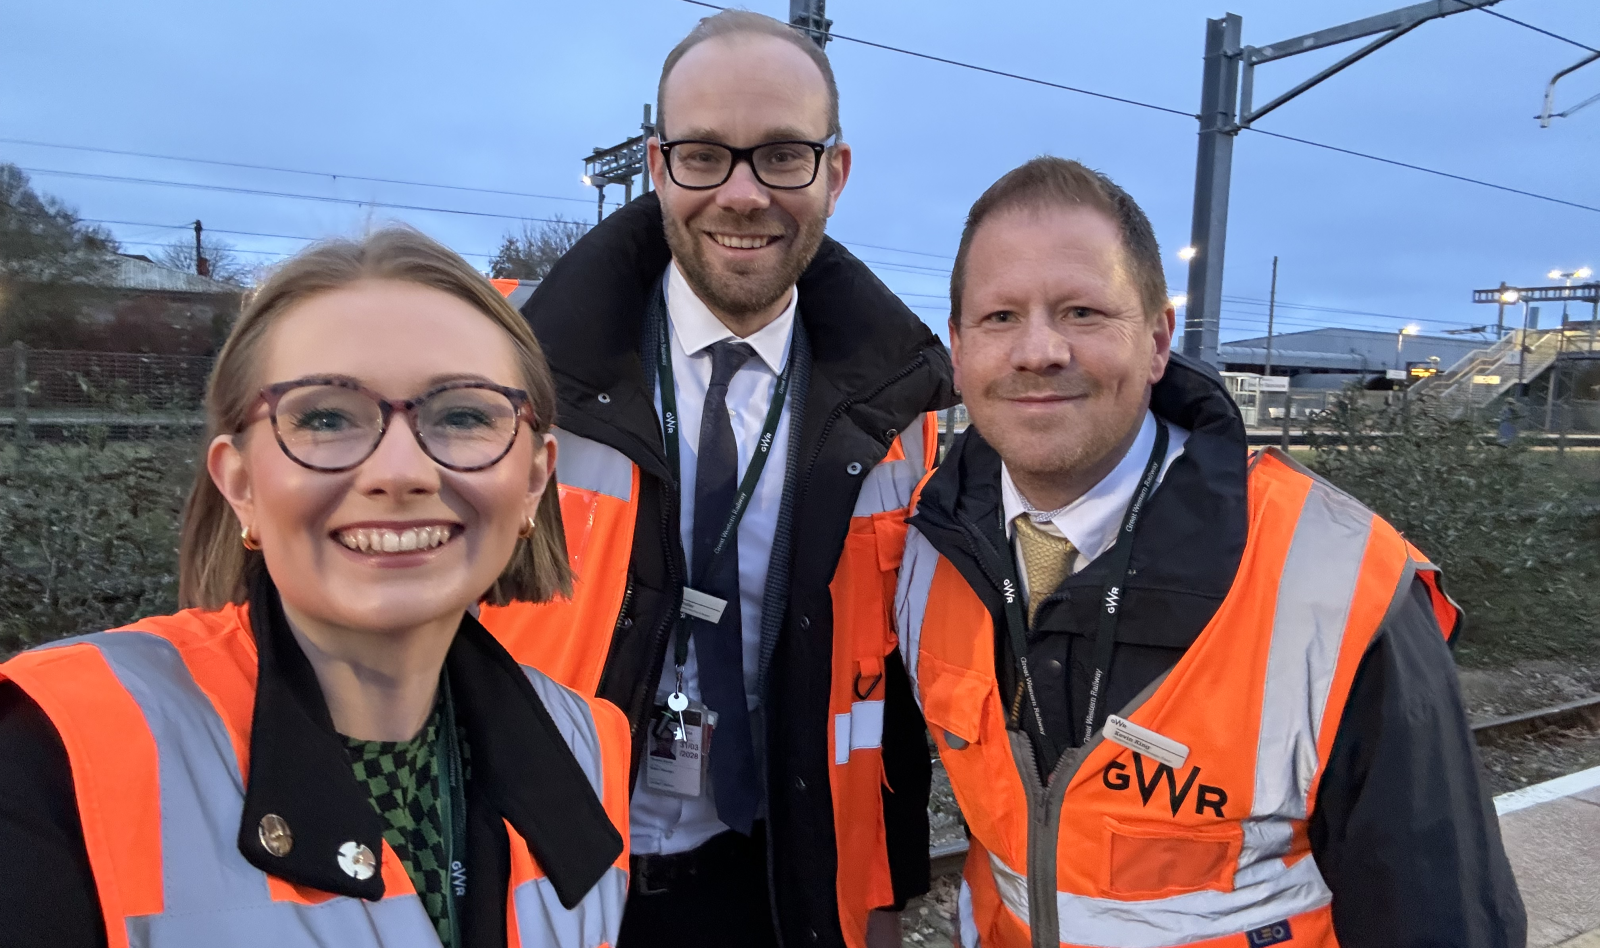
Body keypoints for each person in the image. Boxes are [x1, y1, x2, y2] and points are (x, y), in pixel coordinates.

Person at [894, 158, 1526, 948]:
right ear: (958, 349)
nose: (1039, 350)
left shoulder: (1336, 583)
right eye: (999, 318)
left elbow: (1441, 919)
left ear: (1158, 340)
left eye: (1082, 311)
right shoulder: (928, 554)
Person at [0, 229, 631, 947]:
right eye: (326, 417)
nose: (401, 471)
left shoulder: (589, 747)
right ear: (240, 484)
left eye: (462, 415)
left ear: (534, 481)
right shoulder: (51, 754)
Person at [477, 10, 955, 948]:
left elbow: (889, 683)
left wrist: (887, 891)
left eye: (782, 155)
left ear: (835, 174)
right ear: (658, 165)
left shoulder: (901, 407)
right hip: (554, 879)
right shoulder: (512, 375)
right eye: (703, 155)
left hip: (786, 880)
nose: (742, 194)